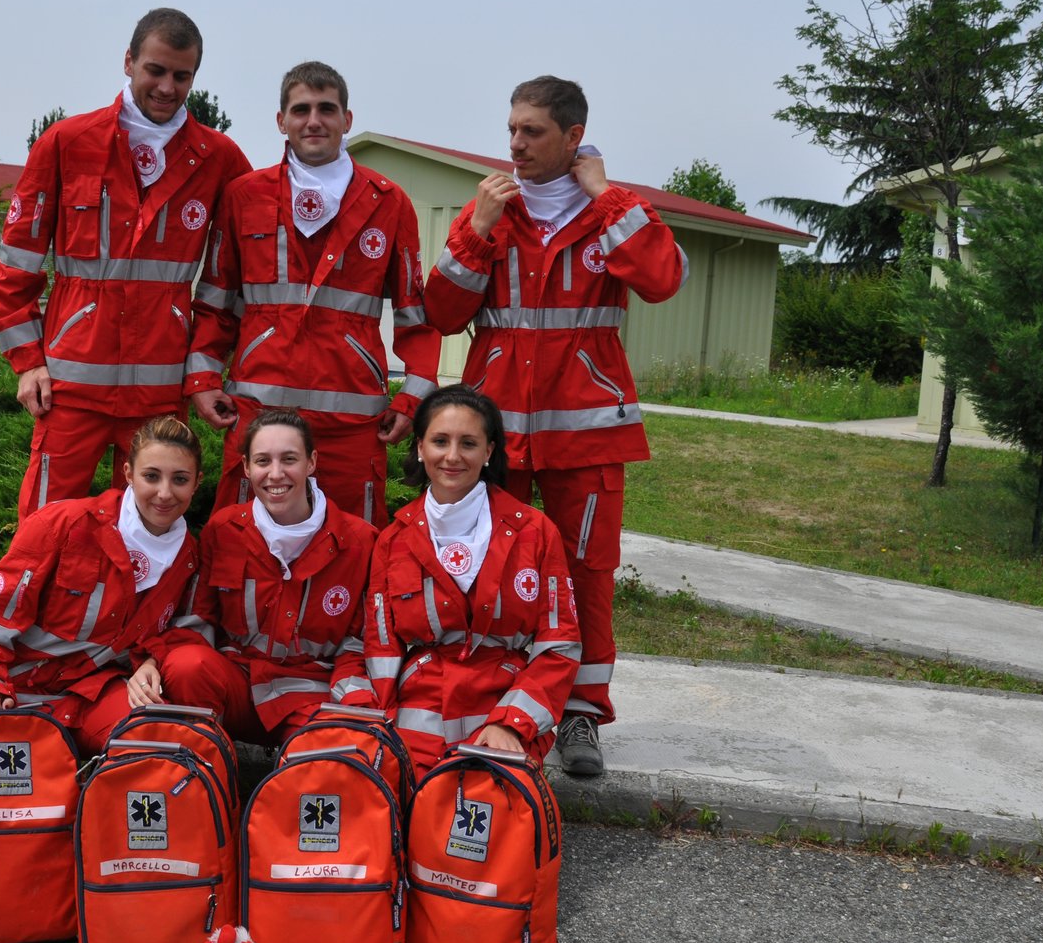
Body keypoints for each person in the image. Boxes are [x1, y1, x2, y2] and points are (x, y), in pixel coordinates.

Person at [422, 76, 687, 775]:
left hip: (588, 433)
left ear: (573, 138)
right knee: (488, 568)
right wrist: (476, 229)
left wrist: (608, 196)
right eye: (511, 128)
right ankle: (493, 699)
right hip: (496, 435)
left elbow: (663, 278)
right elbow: (442, 310)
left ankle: (579, 714)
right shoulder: (492, 212)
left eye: (532, 131)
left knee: (585, 573)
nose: (515, 144)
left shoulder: (613, 213)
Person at [0, 8, 251, 518]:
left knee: (148, 524)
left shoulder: (219, 157)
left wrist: (203, 375)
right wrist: (27, 363)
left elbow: (232, 281)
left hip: (160, 392)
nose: (166, 86)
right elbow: (16, 265)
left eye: (182, 76)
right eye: (155, 70)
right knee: (46, 523)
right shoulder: (67, 142)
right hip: (70, 387)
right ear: (129, 62)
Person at [185, 61, 440, 527]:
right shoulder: (243, 196)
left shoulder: (390, 203)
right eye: (300, 109)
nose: (314, 120)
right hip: (258, 417)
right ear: (281, 121)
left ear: (348, 118)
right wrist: (202, 380)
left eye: (327, 108)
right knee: (241, 542)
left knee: (355, 547)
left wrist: (412, 400)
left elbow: (414, 315)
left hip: (352, 426)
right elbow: (215, 302)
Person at [0, 415, 204, 755]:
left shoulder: (188, 557)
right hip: (16, 689)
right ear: (127, 474)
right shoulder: (63, 525)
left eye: (180, 479)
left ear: (197, 483)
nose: (165, 493)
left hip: (96, 693)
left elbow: (186, 630)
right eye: (151, 476)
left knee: (153, 748)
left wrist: (152, 661)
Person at [361, 385, 582, 778]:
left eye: (468, 443)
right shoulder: (393, 540)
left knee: (485, 814)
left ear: (489, 452)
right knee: (397, 810)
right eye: (440, 441)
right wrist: (379, 725)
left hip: (506, 706)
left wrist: (512, 723)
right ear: (419, 448)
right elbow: (381, 648)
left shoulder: (535, 532)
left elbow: (559, 645)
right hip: (420, 706)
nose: (452, 456)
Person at [157, 408, 378, 744]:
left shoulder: (360, 541)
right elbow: (198, 620)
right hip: (239, 684)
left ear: (311, 462)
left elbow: (361, 644)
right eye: (262, 461)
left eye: (289, 459)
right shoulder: (224, 529)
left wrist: (352, 707)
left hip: (313, 695)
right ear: (246, 468)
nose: (276, 474)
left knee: (333, 760)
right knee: (186, 665)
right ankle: (206, 769)